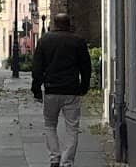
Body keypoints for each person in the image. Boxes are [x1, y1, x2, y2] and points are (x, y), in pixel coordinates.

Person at [30, 13, 90, 167]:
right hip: (71, 90)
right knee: (72, 128)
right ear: (69, 24)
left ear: (54, 24)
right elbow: (85, 67)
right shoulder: (78, 41)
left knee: (50, 125)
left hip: (51, 89)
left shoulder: (44, 41)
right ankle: (67, 161)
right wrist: (84, 86)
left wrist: (36, 89)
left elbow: (37, 68)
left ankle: (54, 158)